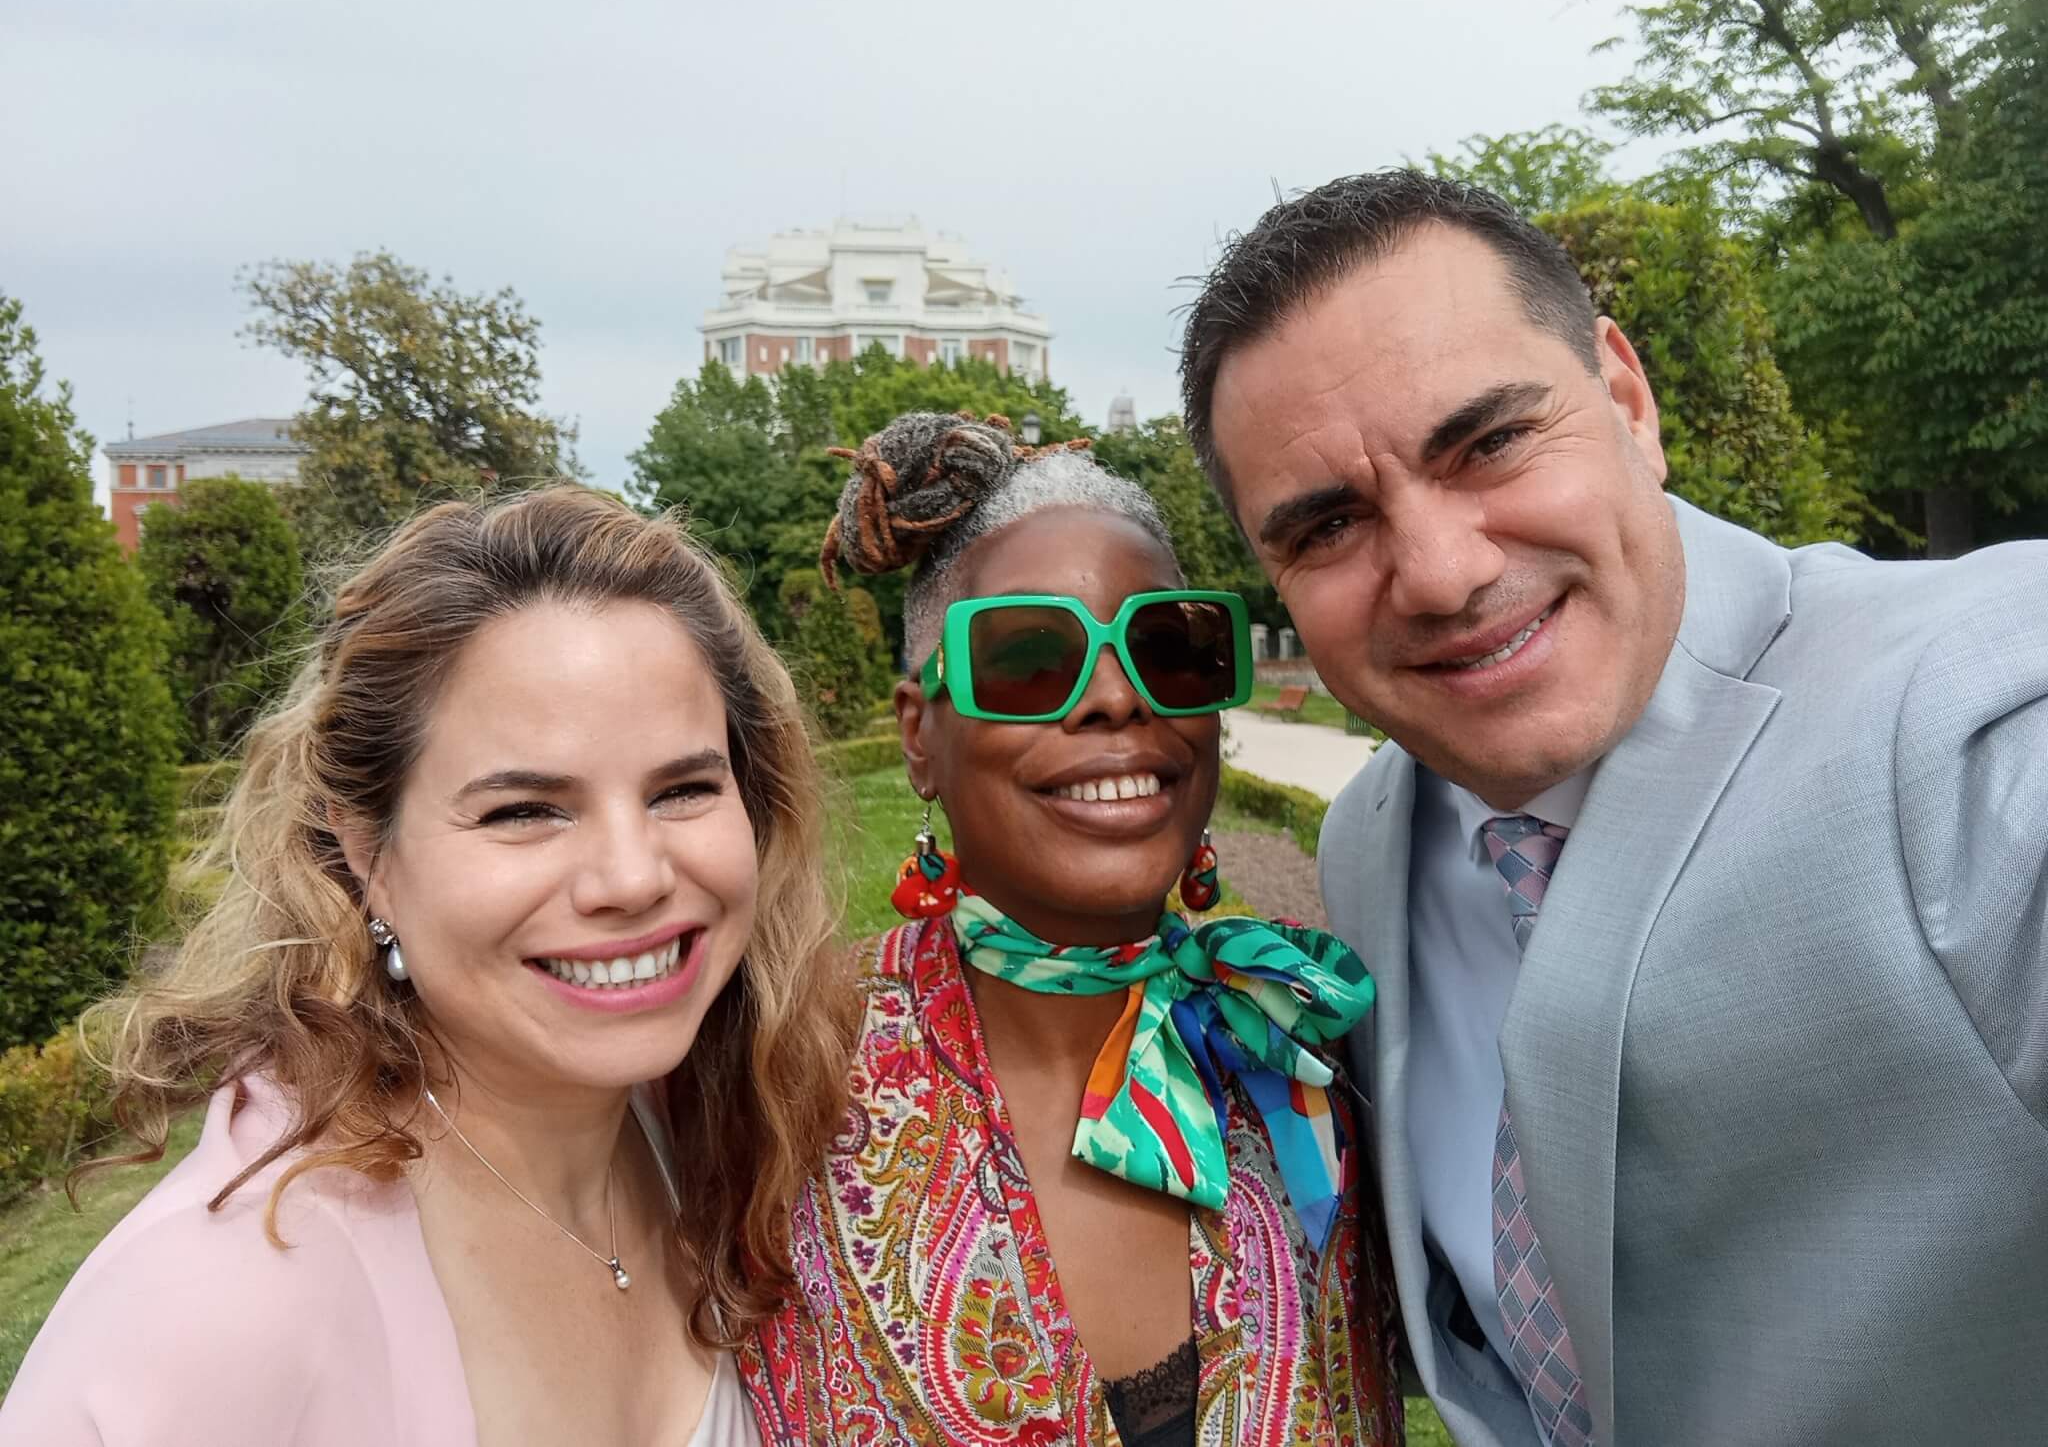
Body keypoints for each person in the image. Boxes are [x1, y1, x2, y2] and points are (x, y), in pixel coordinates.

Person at [1174, 169, 2048, 1446]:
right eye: (1327, 526)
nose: (1439, 573)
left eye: (1487, 443)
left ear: (1626, 401)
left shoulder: (1976, 719)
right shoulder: (1371, 836)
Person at [0, 486, 852, 1447]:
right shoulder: (218, 1308)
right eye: (525, 810)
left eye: (684, 788)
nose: (632, 876)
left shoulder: (704, 1129)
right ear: (367, 854)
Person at [740, 413, 1405, 1446]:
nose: (1111, 698)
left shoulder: (1303, 1039)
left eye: (1168, 650)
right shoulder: (773, 1081)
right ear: (921, 733)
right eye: (1025, 658)